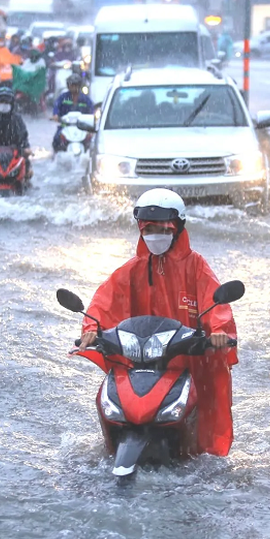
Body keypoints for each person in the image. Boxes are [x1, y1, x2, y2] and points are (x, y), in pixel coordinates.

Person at [78, 189, 238, 456]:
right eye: (148, 228)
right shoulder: (132, 269)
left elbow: (216, 303)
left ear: (177, 228)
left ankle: (199, 457)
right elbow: (104, 301)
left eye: (163, 228)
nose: (155, 234)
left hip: (188, 358)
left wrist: (219, 331)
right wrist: (91, 329)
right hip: (142, 359)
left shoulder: (195, 266)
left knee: (206, 428)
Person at [50, 74, 94, 152]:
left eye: (75, 85)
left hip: (82, 128)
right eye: (71, 85)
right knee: (56, 140)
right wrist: (55, 115)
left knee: (91, 141)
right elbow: (56, 107)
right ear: (68, 86)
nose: (73, 87)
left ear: (79, 86)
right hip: (65, 127)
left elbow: (92, 112)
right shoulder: (63, 98)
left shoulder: (86, 99)